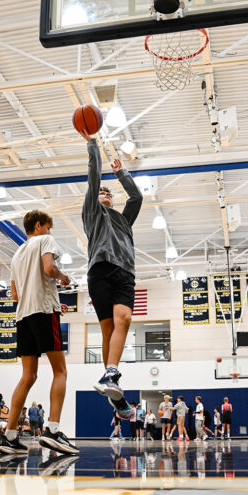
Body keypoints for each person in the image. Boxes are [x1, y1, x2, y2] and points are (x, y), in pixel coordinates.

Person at [0, 209, 78, 456]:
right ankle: (52, 430)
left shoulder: (16, 255)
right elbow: (49, 268)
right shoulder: (45, 240)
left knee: (28, 376)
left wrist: (50, 300)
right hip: (43, 312)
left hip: (23, 317)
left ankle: (10, 437)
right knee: (60, 371)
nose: (49, 231)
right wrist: (63, 278)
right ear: (39, 225)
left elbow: (15, 295)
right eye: (48, 226)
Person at [81, 133, 143, 420]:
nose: (105, 193)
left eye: (109, 193)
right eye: (102, 192)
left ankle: (111, 375)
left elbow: (137, 197)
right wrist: (92, 143)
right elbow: (94, 177)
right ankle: (115, 391)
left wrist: (121, 173)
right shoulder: (92, 213)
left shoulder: (123, 219)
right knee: (108, 330)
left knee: (124, 319)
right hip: (100, 269)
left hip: (125, 271)